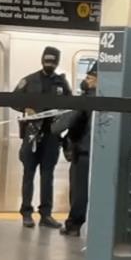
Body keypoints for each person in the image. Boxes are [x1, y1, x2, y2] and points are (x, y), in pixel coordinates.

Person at [15, 46, 72, 228]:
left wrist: (61, 117)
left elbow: (71, 105)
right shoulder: (29, 81)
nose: (49, 64)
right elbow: (12, 99)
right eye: (47, 60)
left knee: (48, 176)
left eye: (53, 61)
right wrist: (25, 108)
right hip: (32, 134)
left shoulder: (62, 83)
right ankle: (26, 212)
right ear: (42, 60)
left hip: (51, 137)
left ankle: (46, 214)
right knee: (28, 174)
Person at [51, 61, 97, 237]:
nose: (86, 80)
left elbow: (64, 124)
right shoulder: (108, 99)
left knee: (79, 191)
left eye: (90, 77)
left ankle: (74, 225)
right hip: (99, 154)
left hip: (83, 153)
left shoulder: (85, 100)